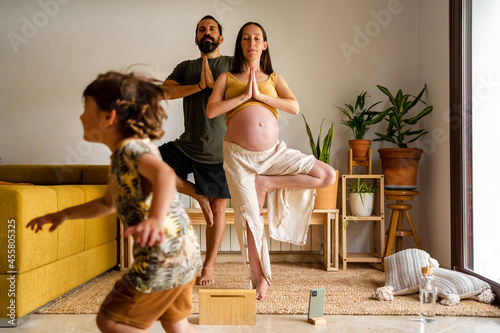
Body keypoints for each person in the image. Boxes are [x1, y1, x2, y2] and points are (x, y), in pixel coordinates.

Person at [26, 71, 201, 333]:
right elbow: (106, 204)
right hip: (184, 253)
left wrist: (154, 219)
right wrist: (63, 214)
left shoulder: (129, 150)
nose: (80, 116)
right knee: (177, 325)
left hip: (161, 257)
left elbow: (165, 174)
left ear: (108, 118)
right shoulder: (127, 154)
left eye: (86, 108)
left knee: (111, 320)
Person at [206, 22, 336, 300]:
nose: (251, 42)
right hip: (239, 158)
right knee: (250, 220)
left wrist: (261, 96)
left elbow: (294, 106)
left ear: (264, 45)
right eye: (246, 38)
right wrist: (244, 96)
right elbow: (211, 110)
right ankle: (260, 278)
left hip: (273, 155)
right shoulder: (226, 78)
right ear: (240, 44)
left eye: (257, 38)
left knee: (327, 175)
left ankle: (266, 183)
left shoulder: (275, 78)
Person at [159, 15, 232, 286]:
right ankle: (197, 194)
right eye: (202, 29)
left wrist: (216, 88)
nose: (207, 32)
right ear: (196, 38)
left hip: (219, 150)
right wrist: (198, 87)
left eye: (212, 29)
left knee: (219, 208)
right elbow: (164, 92)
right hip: (188, 144)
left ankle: (209, 267)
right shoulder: (186, 67)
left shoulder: (231, 64)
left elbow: (247, 90)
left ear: (221, 38)